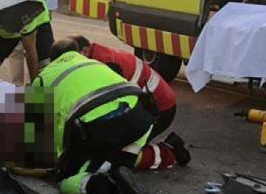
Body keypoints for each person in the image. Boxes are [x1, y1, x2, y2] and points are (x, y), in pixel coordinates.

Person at [30, 41, 155, 194]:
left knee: (67, 181)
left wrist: (61, 161)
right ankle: (123, 164)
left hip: (96, 127)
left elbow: (45, 131)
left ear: (52, 59)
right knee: (123, 139)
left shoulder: (42, 79)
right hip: (141, 115)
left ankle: (110, 188)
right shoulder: (94, 63)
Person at [66, 35, 191, 170]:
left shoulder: (106, 63)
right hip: (150, 103)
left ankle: (169, 152)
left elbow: (109, 104)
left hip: (159, 109)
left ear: (84, 51)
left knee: (119, 159)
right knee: (110, 150)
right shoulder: (97, 56)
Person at [0, 0, 54, 91]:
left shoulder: (27, 13)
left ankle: (42, 100)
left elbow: (30, 51)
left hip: (37, 19)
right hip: (4, 22)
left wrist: (35, 87)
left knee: (45, 67)